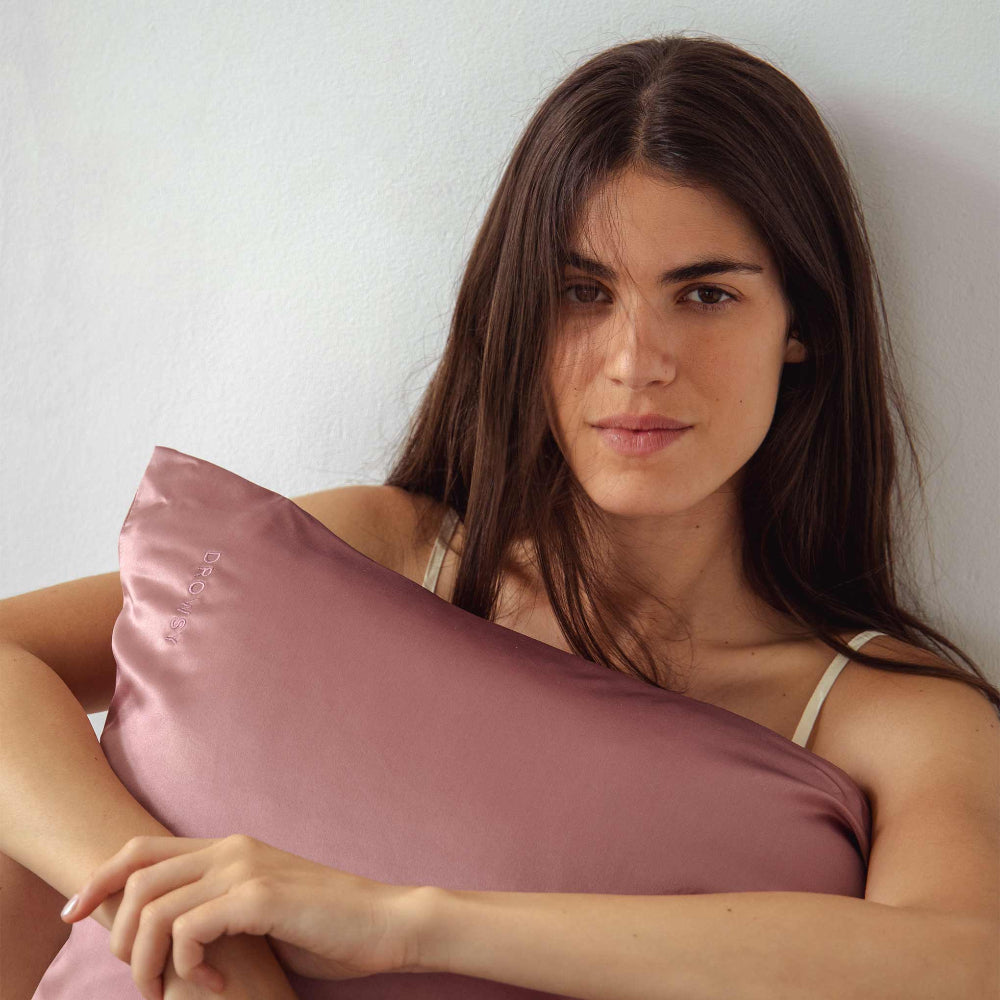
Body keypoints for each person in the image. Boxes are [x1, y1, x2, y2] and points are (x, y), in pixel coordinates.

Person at [2, 30, 997, 999]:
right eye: (580, 292)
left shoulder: (888, 717)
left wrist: (399, 920)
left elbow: (964, 962)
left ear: (802, 326)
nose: (634, 360)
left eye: (702, 294)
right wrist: (175, 926)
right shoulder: (379, 551)